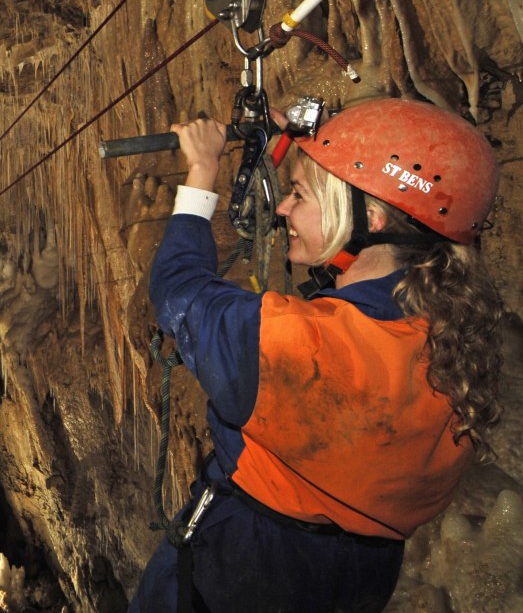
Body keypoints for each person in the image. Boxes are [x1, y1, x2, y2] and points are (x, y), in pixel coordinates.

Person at [129, 97, 503, 613]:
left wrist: (202, 170)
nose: (283, 209)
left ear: (369, 216)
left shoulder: (298, 346)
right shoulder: (458, 350)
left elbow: (178, 290)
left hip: (235, 574)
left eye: (299, 194)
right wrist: (317, 147)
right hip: (354, 582)